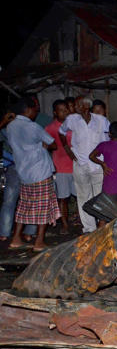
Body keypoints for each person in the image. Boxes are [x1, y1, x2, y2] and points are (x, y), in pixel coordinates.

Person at [2, 98, 60, 250]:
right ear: (27, 109)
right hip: (39, 171)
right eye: (35, 109)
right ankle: (39, 241)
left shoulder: (11, 126)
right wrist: (42, 145)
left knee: (24, 206)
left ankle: (16, 238)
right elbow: (53, 144)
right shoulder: (33, 126)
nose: (36, 112)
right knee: (42, 206)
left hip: (24, 172)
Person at [59, 96, 109, 233]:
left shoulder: (101, 120)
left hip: (98, 164)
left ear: (86, 107)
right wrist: (67, 148)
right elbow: (61, 132)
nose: (74, 108)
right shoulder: (72, 119)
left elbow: (110, 137)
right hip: (80, 163)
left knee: (99, 195)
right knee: (83, 196)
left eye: (77, 105)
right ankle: (89, 228)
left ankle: (101, 224)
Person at [45, 99, 76, 232]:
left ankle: (83, 221)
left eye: (66, 110)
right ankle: (64, 224)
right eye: (61, 110)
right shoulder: (50, 128)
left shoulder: (74, 125)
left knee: (79, 196)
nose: (65, 113)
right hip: (60, 168)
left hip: (76, 166)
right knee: (63, 198)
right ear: (55, 112)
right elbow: (46, 148)